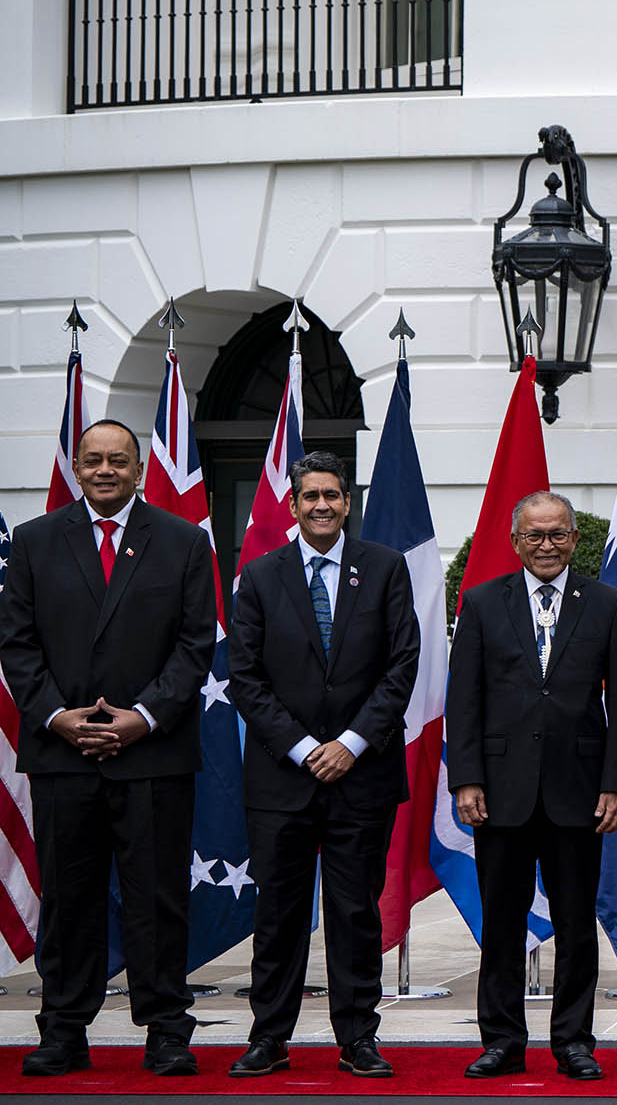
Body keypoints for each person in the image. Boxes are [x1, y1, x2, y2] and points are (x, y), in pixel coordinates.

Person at [0, 419, 215, 1078]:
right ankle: (64, 1026)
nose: (104, 470)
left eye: (117, 460)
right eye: (92, 459)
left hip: (152, 751)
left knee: (157, 898)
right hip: (63, 754)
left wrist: (143, 716)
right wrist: (58, 716)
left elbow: (195, 642)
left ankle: (166, 1029)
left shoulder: (181, 542)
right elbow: (17, 642)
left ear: (139, 467)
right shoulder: (36, 542)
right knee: (70, 897)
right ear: (78, 466)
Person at [226, 452, 421, 1079]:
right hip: (282, 778)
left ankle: (358, 1036)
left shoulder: (385, 569)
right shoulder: (258, 577)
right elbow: (245, 677)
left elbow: (402, 666)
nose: (320, 506)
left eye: (332, 495)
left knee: (354, 910)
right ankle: (268, 1036)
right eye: (309, 495)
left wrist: (352, 742)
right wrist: (305, 747)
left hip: (361, 775)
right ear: (294, 505)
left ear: (346, 503)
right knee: (278, 911)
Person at [445, 492, 617, 1082]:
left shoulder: (608, 604)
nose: (547, 545)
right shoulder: (480, 602)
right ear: (515, 541)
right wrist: (466, 779)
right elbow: (465, 698)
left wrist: (616, 785)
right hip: (500, 790)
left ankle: (574, 1041)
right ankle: (501, 1039)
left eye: (558, 535)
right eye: (535, 536)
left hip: (580, 790)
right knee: (501, 922)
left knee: (577, 924)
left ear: (576, 540)